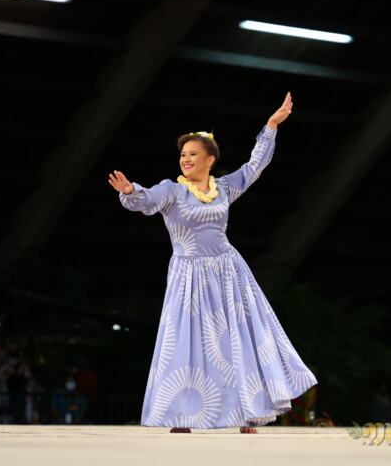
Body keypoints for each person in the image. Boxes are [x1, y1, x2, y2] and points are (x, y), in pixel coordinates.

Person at [109, 92, 317, 434]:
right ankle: (181, 415)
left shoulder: (224, 188)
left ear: (209, 159)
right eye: (182, 154)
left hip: (228, 271)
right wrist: (131, 191)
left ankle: (246, 413)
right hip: (188, 274)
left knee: (237, 339)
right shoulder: (171, 191)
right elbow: (145, 201)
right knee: (187, 342)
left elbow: (254, 168)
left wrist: (271, 126)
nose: (185, 159)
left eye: (193, 154)